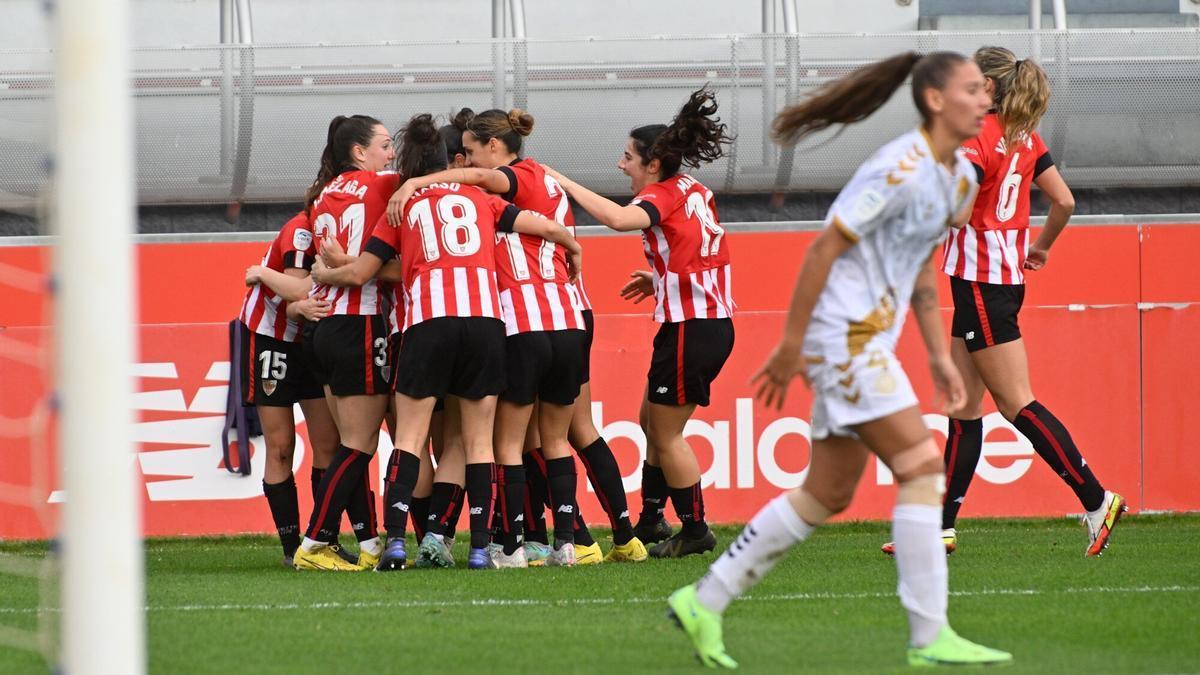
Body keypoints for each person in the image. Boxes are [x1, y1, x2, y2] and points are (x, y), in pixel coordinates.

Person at [666, 52, 1013, 668]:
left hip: (869, 341)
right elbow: (822, 251)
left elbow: (921, 270)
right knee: (923, 467)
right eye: (970, 89)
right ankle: (929, 635)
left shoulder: (958, 177)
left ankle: (704, 600)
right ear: (935, 100)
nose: (985, 98)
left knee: (826, 493)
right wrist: (793, 346)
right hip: (845, 338)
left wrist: (938, 354)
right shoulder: (899, 167)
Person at [312, 112, 583, 570]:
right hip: (483, 323)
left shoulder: (405, 205)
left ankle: (396, 543)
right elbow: (547, 228)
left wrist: (328, 271)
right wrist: (573, 250)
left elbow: (363, 273)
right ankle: (479, 548)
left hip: (426, 322)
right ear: (451, 159)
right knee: (478, 442)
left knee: (411, 438)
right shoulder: (482, 199)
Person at [883, 46, 1125, 557]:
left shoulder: (976, 139)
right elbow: (1064, 201)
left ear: (987, 88)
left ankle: (1096, 499)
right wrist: (1039, 248)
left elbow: (958, 214)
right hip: (999, 280)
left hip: (979, 285)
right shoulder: (1024, 136)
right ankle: (940, 527)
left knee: (1017, 404)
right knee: (962, 405)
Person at [387, 107, 647, 566]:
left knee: (508, 440)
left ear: (493, 148)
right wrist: (572, 245)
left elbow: (483, 195)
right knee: (551, 435)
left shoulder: (510, 179)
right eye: (457, 157)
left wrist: (414, 182)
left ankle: (526, 540)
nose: (463, 167)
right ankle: (589, 537)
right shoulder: (534, 178)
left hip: (518, 315)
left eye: (467, 155)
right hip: (566, 311)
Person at [545, 87, 735, 558]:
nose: (621, 164)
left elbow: (618, 220)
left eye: (628, 156)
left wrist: (560, 180)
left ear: (652, 164)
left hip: (694, 325)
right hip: (703, 320)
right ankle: (651, 518)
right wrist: (662, 276)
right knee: (650, 419)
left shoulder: (662, 194)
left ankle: (695, 530)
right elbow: (702, 244)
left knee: (667, 434)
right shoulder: (693, 188)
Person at [290, 115, 397, 572]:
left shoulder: (324, 195)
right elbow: (427, 176)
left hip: (325, 326)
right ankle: (316, 542)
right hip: (359, 321)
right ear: (359, 152)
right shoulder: (384, 184)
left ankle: (370, 541)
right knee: (359, 444)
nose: (392, 154)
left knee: (351, 445)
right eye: (386, 144)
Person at [238, 213, 340, 567]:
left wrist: (262, 273)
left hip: (314, 338)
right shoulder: (301, 230)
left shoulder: (353, 221)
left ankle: (321, 540)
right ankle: (290, 547)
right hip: (272, 338)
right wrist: (269, 277)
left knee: (328, 443)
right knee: (280, 446)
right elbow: (297, 293)